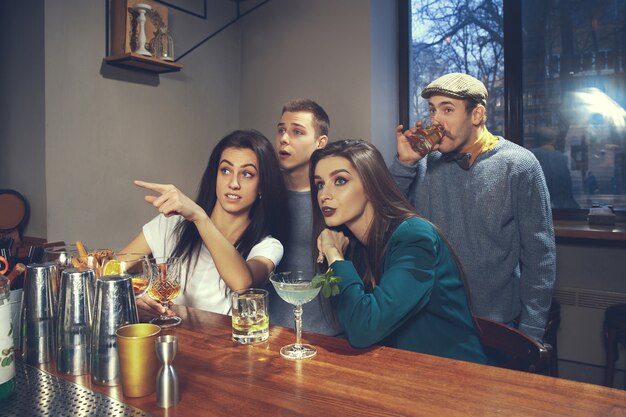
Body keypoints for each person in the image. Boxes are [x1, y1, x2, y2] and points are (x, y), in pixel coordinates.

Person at [389, 73, 556, 341]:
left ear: (477, 114)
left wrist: (531, 333)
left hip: (496, 323)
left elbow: (540, 256)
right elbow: (385, 217)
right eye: (433, 110)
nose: (436, 121)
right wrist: (404, 163)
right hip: (430, 318)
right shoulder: (422, 163)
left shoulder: (520, 165)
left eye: (448, 109)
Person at [312, 139, 486, 363]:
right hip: (401, 373)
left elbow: (363, 329)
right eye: (319, 184)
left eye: (340, 180)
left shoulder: (414, 237)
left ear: (371, 185)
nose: (324, 194)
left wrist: (333, 252)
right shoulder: (357, 246)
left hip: (456, 378)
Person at [120, 130, 288, 320]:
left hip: (218, 348)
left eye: (247, 174)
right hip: (161, 344)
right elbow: (111, 271)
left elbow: (242, 283)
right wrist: (134, 300)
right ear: (214, 175)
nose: (233, 183)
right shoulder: (172, 224)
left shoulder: (268, 246)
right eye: (225, 170)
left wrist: (200, 216)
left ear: (262, 186)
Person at [267, 98, 343, 336]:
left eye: (297, 132)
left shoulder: (335, 200)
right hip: (267, 331)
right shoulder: (261, 193)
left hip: (325, 337)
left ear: (320, 143)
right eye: (281, 130)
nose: (284, 138)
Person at [530, 127, 579, 209]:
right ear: (554, 141)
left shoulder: (529, 155)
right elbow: (571, 187)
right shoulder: (563, 158)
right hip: (561, 208)